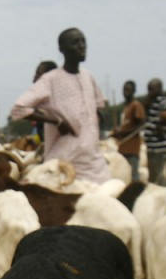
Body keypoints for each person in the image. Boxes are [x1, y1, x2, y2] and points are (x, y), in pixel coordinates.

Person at [11, 28, 110, 183]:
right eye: (75, 42)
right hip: (65, 164)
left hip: (95, 163)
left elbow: (99, 104)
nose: (81, 46)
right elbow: (19, 109)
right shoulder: (51, 80)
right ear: (62, 50)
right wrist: (57, 121)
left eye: (83, 41)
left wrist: (95, 118)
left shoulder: (88, 76)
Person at [110, 80, 146, 182]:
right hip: (123, 147)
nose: (126, 92)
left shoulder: (136, 105)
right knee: (123, 175)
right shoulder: (126, 106)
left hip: (132, 149)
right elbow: (125, 125)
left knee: (133, 176)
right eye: (124, 90)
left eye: (128, 90)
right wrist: (117, 133)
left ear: (134, 91)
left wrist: (122, 133)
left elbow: (140, 125)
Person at [141, 78, 166, 184]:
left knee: (160, 176)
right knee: (153, 175)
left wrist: (161, 125)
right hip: (151, 145)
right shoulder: (150, 102)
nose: (150, 92)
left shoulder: (164, 101)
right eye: (149, 89)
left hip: (161, 145)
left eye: (153, 89)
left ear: (160, 89)